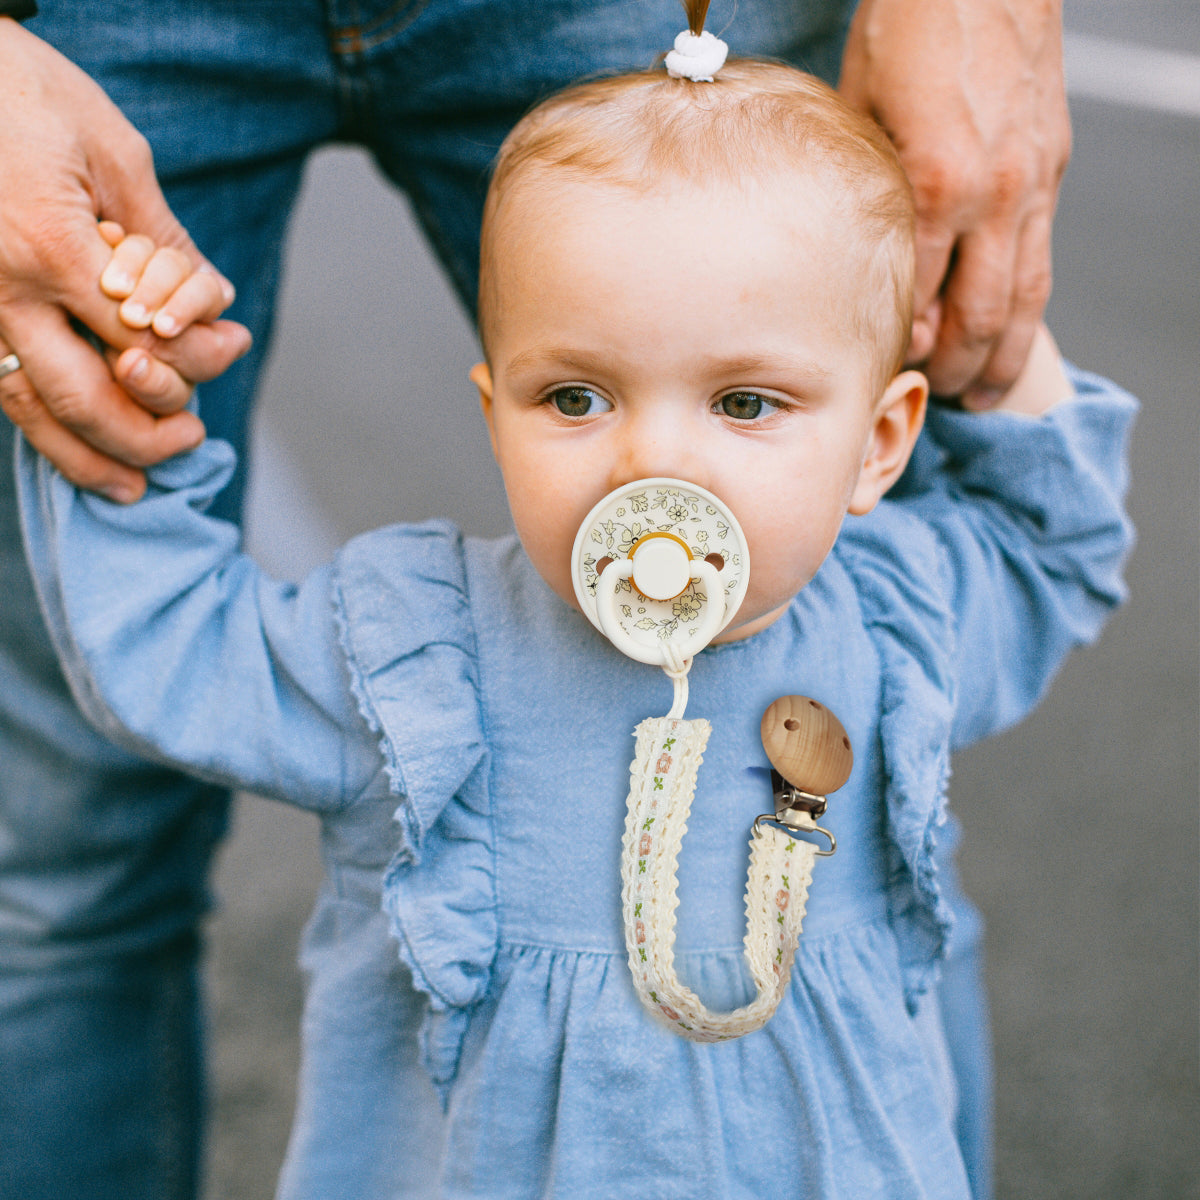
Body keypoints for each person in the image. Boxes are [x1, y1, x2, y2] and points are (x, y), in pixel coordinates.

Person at [14, 46, 1133, 1199]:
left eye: (746, 402)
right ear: (497, 418)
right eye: (576, 398)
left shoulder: (899, 625)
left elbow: (1053, 547)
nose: (651, 458)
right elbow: (172, 650)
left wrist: (1001, 340)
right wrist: (125, 388)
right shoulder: (418, 652)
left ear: (882, 442)